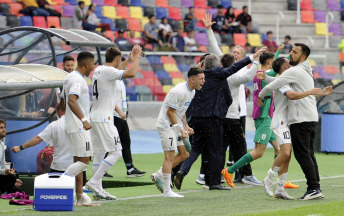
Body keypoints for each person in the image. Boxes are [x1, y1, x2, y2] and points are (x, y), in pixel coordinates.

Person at [176, 13, 266, 191]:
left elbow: (215, 49)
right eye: (234, 53)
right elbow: (246, 75)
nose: (234, 53)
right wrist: (254, 60)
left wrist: (209, 29)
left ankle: (187, 172)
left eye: (237, 52)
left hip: (201, 116)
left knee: (199, 148)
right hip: (221, 116)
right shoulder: (227, 73)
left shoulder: (207, 73)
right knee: (222, 149)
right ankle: (222, 179)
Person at [257, 43, 325, 200]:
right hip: (284, 120)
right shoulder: (299, 74)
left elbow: (276, 83)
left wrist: (262, 92)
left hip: (296, 119)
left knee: (295, 154)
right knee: (291, 153)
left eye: (293, 53)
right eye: (287, 59)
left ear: (302, 57)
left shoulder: (293, 74)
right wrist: (263, 86)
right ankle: (271, 180)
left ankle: (283, 186)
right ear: (282, 69)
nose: (290, 56)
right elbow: (283, 87)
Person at [85, 45, 142, 200]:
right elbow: (131, 73)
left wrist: (129, 60)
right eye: (120, 60)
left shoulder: (100, 69)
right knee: (116, 151)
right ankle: (94, 182)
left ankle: (98, 189)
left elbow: (117, 70)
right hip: (104, 118)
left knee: (99, 154)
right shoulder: (108, 72)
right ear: (117, 59)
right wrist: (136, 57)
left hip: (95, 116)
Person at [222, 51, 281, 188]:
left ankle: (280, 180)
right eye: (273, 60)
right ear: (269, 62)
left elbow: (275, 66)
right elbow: (278, 69)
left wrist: (277, 51)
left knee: (280, 150)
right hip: (264, 116)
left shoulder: (257, 74)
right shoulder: (265, 75)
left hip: (265, 116)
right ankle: (229, 171)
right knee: (259, 152)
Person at [151, 67, 205, 197]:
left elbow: (181, 111)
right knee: (169, 156)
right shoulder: (179, 91)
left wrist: (185, 126)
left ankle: (158, 174)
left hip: (175, 125)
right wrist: (179, 130)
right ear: (192, 79)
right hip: (166, 125)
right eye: (201, 78)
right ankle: (167, 191)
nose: (204, 81)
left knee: (185, 154)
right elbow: (170, 112)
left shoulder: (191, 92)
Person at [62, 51, 95, 206]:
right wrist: (83, 120)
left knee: (78, 160)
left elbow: (62, 103)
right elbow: (71, 100)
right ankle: (61, 185)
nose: (93, 67)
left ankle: (79, 196)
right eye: (93, 64)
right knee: (84, 162)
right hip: (78, 126)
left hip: (71, 124)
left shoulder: (68, 78)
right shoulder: (77, 80)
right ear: (87, 64)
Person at [11, 101, 73, 173]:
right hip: (77, 166)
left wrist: (20, 147)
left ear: (60, 111)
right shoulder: (79, 123)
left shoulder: (55, 125)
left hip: (60, 166)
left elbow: (38, 139)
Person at [113, 57, 146, 178]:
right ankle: (101, 169)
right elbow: (109, 98)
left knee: (126, 142)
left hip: (121, 116)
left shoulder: (121, 80)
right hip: (113, 115)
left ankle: (130, 168)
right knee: (111, 144)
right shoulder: (112, 79)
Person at [0, 119, 22, 194]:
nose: (4, 130)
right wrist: (4, 172)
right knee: (11, 177)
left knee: (14, 176)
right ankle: (5, 195)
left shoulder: (2, 145)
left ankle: (7, 193)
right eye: (1, 128)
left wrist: (9, 173)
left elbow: (3, 163)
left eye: (4, 127)